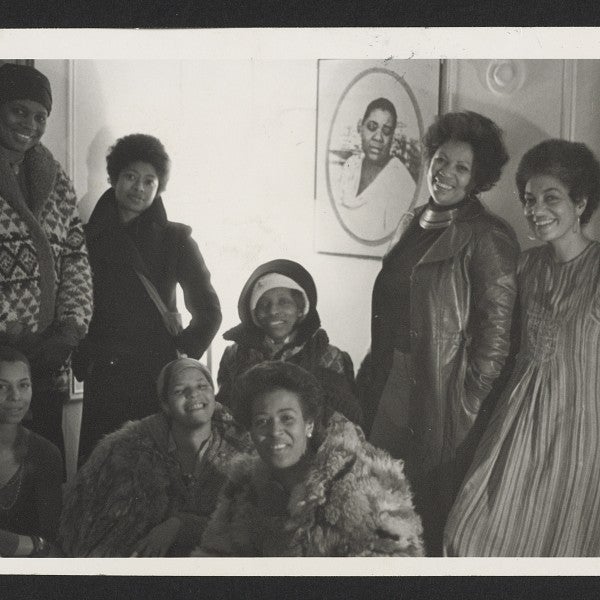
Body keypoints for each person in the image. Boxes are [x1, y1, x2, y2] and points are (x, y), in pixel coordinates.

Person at [358, 110, 519, 555]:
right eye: (441, 161)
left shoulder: (488, 236)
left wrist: (464, 401)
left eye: (461, 168)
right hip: (388, 380)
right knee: (377, 507)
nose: (445, 173)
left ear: (478, 179)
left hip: (440, 392)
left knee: (425, 513)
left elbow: (497, 340)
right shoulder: (413, 220)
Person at [445, 139, 600, 556]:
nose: (536, 211)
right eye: (529, 200)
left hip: (582, 434)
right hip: (518, 421)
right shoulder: (526, 266)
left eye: (552, 198)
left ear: (581, 202)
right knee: (468, 532)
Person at [74, 134, 222, 461]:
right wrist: (84, 357)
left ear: (159, 187)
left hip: (154, 377)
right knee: (100, 470)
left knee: (151, 472)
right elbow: (72, 302)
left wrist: (180, 353)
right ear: (114, 178)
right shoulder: (86, 239)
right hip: (105, 374)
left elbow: (209, 311)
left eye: (149, 181)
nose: (139, 188)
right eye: (130, 177)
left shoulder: (175, 240)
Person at [197, 361, 423, 557]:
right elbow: (215, 558)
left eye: (287, 418)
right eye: (262, 422)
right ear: (251, 433)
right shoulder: (243, 487)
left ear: (309, 425)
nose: (275, 431)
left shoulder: (361, 484)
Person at [59, 357, 252, 557]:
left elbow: (248, 525)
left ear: (213, 394)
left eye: (202, 386)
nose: (193, 394)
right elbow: (97, 524)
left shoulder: (242, 448)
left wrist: (180, 525)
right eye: (179, 390)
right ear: (166, 404)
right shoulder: (127, 449)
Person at [0, 63, 93, 457]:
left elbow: (76, 258)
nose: (31, 124)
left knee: (44, 464)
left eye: (40, 116)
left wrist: (70, 329)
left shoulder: (55, 180)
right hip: (3, 361)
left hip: (47, 359)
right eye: (19, 110)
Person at [216, 258, 361, 425]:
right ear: (254, 314)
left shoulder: (328, 355)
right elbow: (226, 413)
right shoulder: (235, 355)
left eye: (284, 302)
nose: (273, 311)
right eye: (264, 304)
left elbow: (344, 421)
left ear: (300, 309)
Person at [0, 346, 63, 558]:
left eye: (23, 385)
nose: (15, 396)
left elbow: (52, 545)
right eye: (2, 387)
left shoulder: (46, 454)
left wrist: (13, 544)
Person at [337, 97, 416, 241]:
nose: (378, 137)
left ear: (392, 136)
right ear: (360, 126)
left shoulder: (401, 182)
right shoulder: (351, 166)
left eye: (386, 131)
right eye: (372, 127)